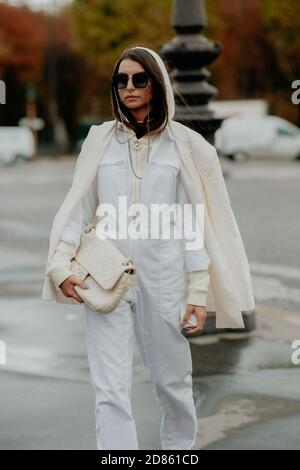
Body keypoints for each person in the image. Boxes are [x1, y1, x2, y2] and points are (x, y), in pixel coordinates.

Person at [42, 45, 255, 450]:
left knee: (173, 385)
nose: (129, 87)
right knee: (109, 389)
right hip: (104, 277)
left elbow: (194, 223)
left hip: (165, 279)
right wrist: (60, 264)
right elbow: (78, 208)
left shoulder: (187, 146)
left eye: (140, 79)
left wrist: (196, 290)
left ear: (157, 85)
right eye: (121, 80)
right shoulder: (100, 140)